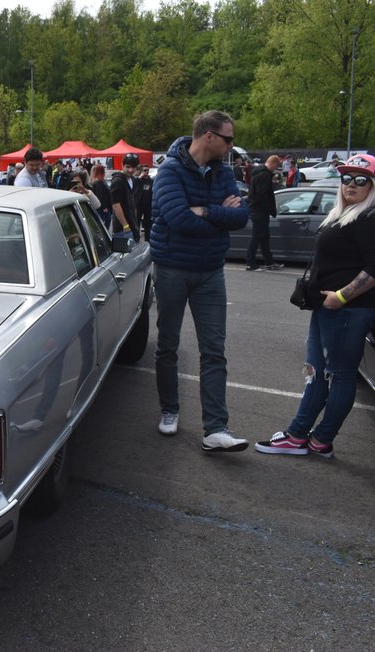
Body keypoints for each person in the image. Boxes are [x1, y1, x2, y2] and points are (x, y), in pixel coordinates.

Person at [255, 154, 375, 458]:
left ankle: (320, 440)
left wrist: (342, 296)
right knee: (316, 372)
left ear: (372, 186)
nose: (351, 184)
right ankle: (297, 436)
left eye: (361, 180)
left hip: (347, 310)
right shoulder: (343, 213)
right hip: (327, 308)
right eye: (347, 178)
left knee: (341, 375)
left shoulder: (368, 218)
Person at [150, 110, 250, 453]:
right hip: (172, 269)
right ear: (209, 136)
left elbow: (241, 216)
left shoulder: (223, 172)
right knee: (167, 345)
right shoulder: (170, 170)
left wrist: (206, 211)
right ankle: (169, 410)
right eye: (228, 139)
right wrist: (218, 214)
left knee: (214, 351)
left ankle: (216, 429)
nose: (232, 145)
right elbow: (178, 219)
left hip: (210, 270)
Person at [245, 155, 283, 271]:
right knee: (257, 237)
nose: (276, 169)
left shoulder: (257, 173)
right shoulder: (265, 175)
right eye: (277, 166)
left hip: (257, 209)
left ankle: (269, 261)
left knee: (264, 237)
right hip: (260, 210)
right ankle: (250, 263)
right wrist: (269, 208)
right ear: (273, 163)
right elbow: (262, 195)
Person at [110, 154, 141, 240]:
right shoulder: (117, 181)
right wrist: (125, 225)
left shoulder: (133, 180)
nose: (130, 170)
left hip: (132, 224)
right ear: (122, 165)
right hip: (122, 228)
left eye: (133, 167)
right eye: (127, 167)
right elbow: (116, 205)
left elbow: (133, 203)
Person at [89, 164, 113, 229]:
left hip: (102, 207)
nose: (104, 172)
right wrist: (104, 207)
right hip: (103, 208)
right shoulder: (98, 182)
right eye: (103, 171)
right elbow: (100, 196)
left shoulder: (97, 181)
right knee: (104, 225)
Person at [135, 165, 154, 241]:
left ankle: (147, 240)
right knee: (137, 222)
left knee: (148, 224)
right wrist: (140, 177)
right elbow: (134, 185)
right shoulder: (139, 181)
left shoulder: (151, 181)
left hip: (148, 205)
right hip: (139, 205)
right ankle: (136, 239)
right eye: (144, 170)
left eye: (147, 170)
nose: (146, 172)